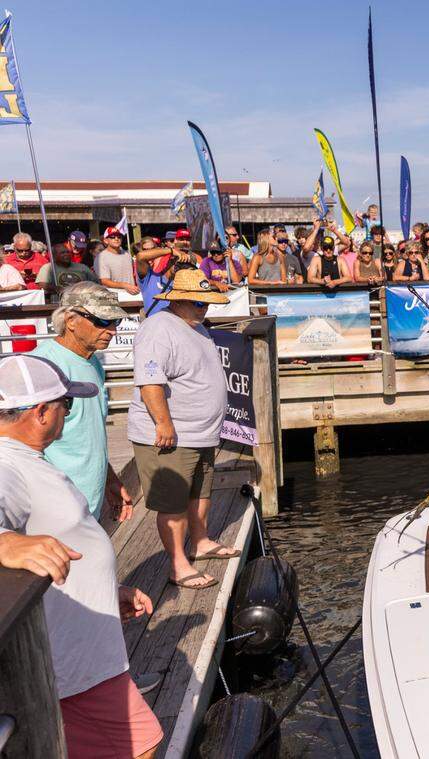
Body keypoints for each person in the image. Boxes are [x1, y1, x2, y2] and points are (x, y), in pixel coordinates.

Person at [0, 354, 163, 759]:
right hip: (72, 666)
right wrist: (4, 543)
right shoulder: (7, 465)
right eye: (66, 406)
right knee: (142, 744)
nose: (68, 414)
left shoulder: (27, 459)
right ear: (41, 413)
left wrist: (109, 589)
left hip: (83, 657)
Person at [128, 268, 238, 590]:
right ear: (177, 300)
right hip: (172, 435)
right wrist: (164, 422)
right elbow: (150, 380)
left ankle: (200, 541)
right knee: (172, 503)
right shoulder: (159, 328)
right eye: (197, 302)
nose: (204, 308)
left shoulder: (197, 326)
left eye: (206, 303)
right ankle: (178, 565)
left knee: (200, 493)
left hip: (201, 433)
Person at [32, 283, 133, 522]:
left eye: (115, 322)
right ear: (71, 320)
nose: (112, 331)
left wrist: (109, 479)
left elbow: (90, 431)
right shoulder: (42, 365)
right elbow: (21, 443)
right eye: (102, 321)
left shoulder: (92, 361)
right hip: (54, 509)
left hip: (88, 504)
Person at [95, 227, 140, 297]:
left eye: (119, 237)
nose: (116, 239)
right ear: (106, 240)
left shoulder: (127, 254)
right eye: (112, 237)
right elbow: (104, 281)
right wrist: (125, 285)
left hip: (133, 294)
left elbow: (134, 275)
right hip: (113, 296)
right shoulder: (101, 257)